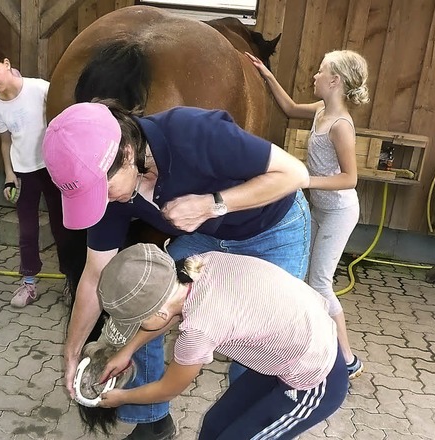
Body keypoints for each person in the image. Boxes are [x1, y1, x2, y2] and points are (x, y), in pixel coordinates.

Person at [42, 99, 311, 439]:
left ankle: (245, 429)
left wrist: (212, 204)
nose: (103, 203)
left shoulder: (193, 131)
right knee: (142, 304)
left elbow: (295, 173)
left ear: (126, 153)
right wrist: (72, 350)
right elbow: (95, 274)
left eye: (103, 191)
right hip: (208, 237)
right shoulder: (111, 192)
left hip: (272, 227)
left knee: (255, 346)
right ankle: (153, 421)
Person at [94, 243, 348, 440]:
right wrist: (127, 351)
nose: (136, 328)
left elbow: (167, 390)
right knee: (216, 423)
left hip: (315, 379)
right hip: (288, 353)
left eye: (137, 321)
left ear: (157, 312)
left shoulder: (198, 331)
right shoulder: (197, 265)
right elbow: (168, 314)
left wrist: (122, 397)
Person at [247, 49, 370, 378]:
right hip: (319, 208)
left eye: (320, 71)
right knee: (303, 275)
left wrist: (304, 179)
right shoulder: (320, 110)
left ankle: (347, 360)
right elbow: (288, 107)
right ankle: (305, 343)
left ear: (335, 81)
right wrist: (267, 75)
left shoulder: (341, 125)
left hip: (339, 212)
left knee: (320, 283)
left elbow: (350, 178)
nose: (314, 76)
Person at [0, 41, 85, 308]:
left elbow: (66, 124)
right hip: (24, 172)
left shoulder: (40, 89)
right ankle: (29, 283)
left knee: (62, 226)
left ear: (7, 64)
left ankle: (71, 279)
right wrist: (9, 175)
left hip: (53, 169)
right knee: (27, 230)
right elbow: (5, 142)